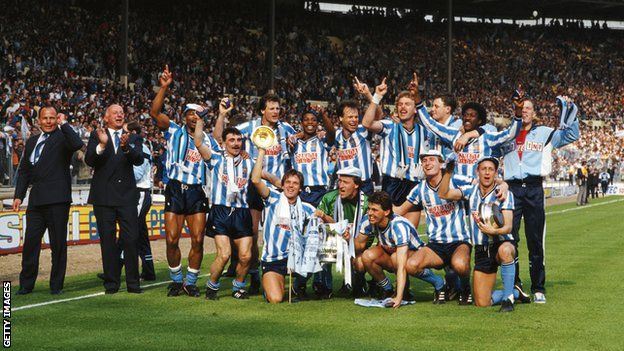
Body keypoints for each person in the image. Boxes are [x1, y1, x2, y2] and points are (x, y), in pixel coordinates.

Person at [150, 65, 224, 297]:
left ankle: (190, 281)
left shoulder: (209, 142)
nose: (194, 117)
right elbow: (154, 113)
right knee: (171, 239)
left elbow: (221, 152)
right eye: (191, 113)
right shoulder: (173, 130)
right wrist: (164, 88)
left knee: (198, 239)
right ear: (184, 116)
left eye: (199, 114)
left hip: (196, 191)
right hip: (174, 188)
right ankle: (175, 279)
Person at [499, 95, 580, 303]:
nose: (524, 110)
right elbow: (489, 155)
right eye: (521, 107)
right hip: (512, 189)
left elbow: (571, 135)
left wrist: (571, 111)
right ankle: (514, 284)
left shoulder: (544, 133)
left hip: (534, 189)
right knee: (510, 237)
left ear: (534, 113)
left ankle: (538, 287)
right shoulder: (507, 134)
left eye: (528, 108)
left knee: (535, 241)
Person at [214, 93, 296, 294]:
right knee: (251, 233)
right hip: (253, 185)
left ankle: (279, 273)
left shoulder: (285, 129)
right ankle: (253, 276)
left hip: (276, 189)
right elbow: (219, 137)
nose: (276, 112)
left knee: (279, 231)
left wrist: (296, 140)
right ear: (262, 110)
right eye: (272, 108)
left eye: (278, 108)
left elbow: (297, 141)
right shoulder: (249, 128)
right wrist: (221, 116)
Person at [439, 156, 530, 312]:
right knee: (482, 302)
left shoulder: (503, 194)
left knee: (505, 250)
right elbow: (444, 194)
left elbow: (508, 227)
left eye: (491, 169)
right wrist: (448, 172)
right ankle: (516, 292)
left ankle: (508, 300)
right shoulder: (470, 191)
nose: (487, 173)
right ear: (477, 172)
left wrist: (493, 231)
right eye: (483, 169)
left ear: (496, 173)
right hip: (482, 249)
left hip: (502, 242)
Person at [13, 107, 84, 295]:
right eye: (45, 118)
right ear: (39, 120)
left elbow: (77, 143)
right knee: (30, 244)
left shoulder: (63, 137)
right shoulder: (33, 141)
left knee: (58, 245)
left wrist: (64, 123)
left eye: (53, 118)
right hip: (36, 201)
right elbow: (24, 171)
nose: (49, 121)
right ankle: (26, 285)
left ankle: (56, 285)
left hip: (57, 200)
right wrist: (19, 195)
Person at [396, 150, 473, 305]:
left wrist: (503, 184)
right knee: (411, 266)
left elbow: (481, 184)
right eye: (424, 160)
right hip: (435, 246)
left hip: (458, 241)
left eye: (432, 159)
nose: (427, 163)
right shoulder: (419, 189)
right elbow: (399, 211)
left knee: (460, 265)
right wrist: (376, 205)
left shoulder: (455, 180)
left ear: (441, 164)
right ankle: (440, 284)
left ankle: (465, 288)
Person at [85, 104, 144, 294]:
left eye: (121, 112)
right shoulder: (97, 135)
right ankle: (111, 283)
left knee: (131, 240)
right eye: (115, 112)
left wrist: (126, 147)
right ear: (106, 117)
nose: (119, 115)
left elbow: (139, 159)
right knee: (108, 242)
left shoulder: (133, 137)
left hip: (126, 197)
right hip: (103, 198)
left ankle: (133, 284)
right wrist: (102, 145)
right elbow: (89, 160)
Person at [195, 119, 255, 300]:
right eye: (232, 140)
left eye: (239, 140)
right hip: (221, 211)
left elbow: (262, 177)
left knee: (245, 256)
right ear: (223, 142)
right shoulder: (215, 158)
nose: (236, 143)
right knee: (224, 255)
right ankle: (212, 286)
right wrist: (199, 120)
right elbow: (198, 142)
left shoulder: (248, 161)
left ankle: (238, 287)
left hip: (242, 212)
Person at [251, 146, 315, 303]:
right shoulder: (273, 198)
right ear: (283, 184)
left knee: (317, 247)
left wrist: (325, 217)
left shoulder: (307, 208)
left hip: (295, 259)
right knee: (276, 299)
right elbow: (256, 180)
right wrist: (261, 151)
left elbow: (327, 225)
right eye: (288, 182)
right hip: (273, 259)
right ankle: (271, 287)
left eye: (295, 183)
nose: (291, 186)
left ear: (300, 188)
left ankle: (297, 286)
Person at [361, 77, 429, 210]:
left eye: (407, 104)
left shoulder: (425, 131)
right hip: (392, 183)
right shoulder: (389, 126)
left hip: (415, 183)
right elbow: (366, 123)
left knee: (410, 228)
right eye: (400, 104)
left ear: (415, 109)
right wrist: (376, 97)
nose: (403, 107)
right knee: (389, 226)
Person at [354, 191, 425, 308]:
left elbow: (401, 264)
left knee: (396, 258)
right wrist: (346, 239)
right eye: (369, 209)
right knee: (365, 257)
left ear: (386, 212)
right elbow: (359, 245)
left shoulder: (398, 225)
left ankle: (438, 284)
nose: (370, 213)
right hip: (394, 254)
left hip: (417, 257)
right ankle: (387, 289)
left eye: (375, 210)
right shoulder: (368, 220)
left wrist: (399, 297)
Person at [306, 166, 369, 298]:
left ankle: (359, 282)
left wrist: (350, 240)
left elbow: (365, 242)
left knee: (361, 260)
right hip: (333, 241)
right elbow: (318, 226)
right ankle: (323, 285)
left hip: (357, 245)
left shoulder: (367, 204)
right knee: (320, 242)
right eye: (339, 181)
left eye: (345, 182)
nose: (341, 185)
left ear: (356, 184)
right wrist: (324, 217)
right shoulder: (329, 198)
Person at [288, 106, 335, 207]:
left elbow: (332, 133)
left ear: (318, 123)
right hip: (299, 192)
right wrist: (295, 136)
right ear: (301, 123)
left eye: (313, 120)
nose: (310, 122)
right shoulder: (294, 142)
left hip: (320, 191)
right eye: (306, 120)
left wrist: (322, 115)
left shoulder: (321, 140)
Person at [333, 99, 375, 195]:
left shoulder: (363, 131)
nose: (354, 120)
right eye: (350, 117)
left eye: (356, 117)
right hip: (344, 185)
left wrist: (372, 96)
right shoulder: (336, 135)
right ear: (340, 118)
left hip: (364, 185)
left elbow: (377, 116)